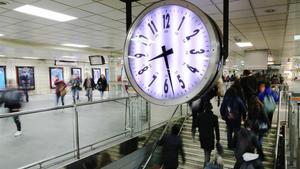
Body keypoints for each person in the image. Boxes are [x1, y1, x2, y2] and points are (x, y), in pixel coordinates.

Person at [220, 81, 247, 149]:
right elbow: (244, 109)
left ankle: (229, 145)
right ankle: (235, 145)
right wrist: (244, 117)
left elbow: (222, 108)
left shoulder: (226, 99)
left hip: (228, 118)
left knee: (229, 131)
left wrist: (223, 115)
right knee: (236, 132)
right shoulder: (238, 99)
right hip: (236, 118)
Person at [198, 102, 220, 168]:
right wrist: (218, 139)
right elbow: (217, 129)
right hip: (210, 137)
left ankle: (206, 165)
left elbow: (197, 125)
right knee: (207, 153)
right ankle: (206, 166)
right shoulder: (214, 117)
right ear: (211, 108)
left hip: (202, 137)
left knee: (206, 152)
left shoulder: (200, 116)